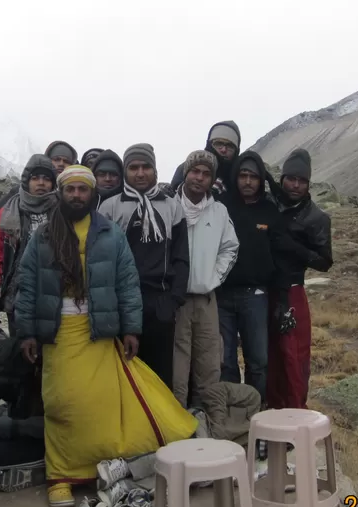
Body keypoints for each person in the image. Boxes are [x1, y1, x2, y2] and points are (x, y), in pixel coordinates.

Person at [14, 165, 197, 507]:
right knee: (61, 405)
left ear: (92, 193)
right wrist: (26, 332)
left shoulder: (110, 233)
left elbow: (127, 285)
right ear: (61, 193)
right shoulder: (43, 237)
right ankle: (61, 477)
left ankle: (97, 468)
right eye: (70, 190)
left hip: (98, 330)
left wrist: (131, 328)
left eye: (83, 190)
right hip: (59, 332)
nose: (76, 196)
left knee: (99, 405)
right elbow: (28, 286)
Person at [98, 144, 189, 389]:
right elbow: (102, 259)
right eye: (134, 167)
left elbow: (181, 257)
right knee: (124, 375)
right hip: (121, 303)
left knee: (160, 377)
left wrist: (174, 299)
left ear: (155, 170)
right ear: (125, 171)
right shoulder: (109, 207)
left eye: (146, 167)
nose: (140, 173)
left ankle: (160, 427)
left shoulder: (172, 206)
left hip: (159, 303)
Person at [217, 152, 290, 402]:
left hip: (256, 296)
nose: (248, 181)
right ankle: (231, 416)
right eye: (243, 175)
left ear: (261, 180)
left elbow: (281, 256)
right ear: (236, 177)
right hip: (221, 296)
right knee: (224, 361)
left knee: (258, 361)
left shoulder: (269, 211)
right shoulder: (221, 206)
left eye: (253, 177)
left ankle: (256, 414)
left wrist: (281, 297)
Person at [265, 148, 333, 410]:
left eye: (302, 181)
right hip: (264, 290)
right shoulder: (268, 204)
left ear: (308, 183)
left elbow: (324, 262)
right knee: (265, 355)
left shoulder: (317, 218)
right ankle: (267, 412)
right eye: (291, 178)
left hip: (293, 293)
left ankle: (295, 413)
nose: (295, 185)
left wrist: (295, 248)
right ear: (282, 179)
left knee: (294, 356)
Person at [172, 150, 239, 408]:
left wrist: (214, 278)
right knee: (177, 370)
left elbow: (230, 247)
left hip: (207, 300)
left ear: (212, 180)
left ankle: (208, 428)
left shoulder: (219, 212)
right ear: (186, 173)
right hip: (176, 303)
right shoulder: (169, 207)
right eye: (195, 171)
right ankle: (175, 433)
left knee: (209, 366)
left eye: (206, 173)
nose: (199, 178)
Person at [0, 154, 58, 332]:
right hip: (17, 297)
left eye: (46, 178)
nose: (41, 183)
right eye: (35, 178)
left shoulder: (63, 212)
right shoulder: (7, 213)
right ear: (26, 180)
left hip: (55, 297)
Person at [0, 140, 78, 218]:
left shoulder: (76, 192)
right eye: (57, 159)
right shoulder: (21, 191)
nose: (61, 164)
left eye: (66, 161)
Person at [170, 121, 241, 199]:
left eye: (230, 146)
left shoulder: (240, 175)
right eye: (218, 144)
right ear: (209, 144)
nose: (224, 150)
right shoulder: (188, 167)